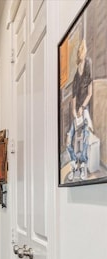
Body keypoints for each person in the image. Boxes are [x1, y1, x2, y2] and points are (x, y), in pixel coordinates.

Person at [66, 39, 93, 181]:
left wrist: (82, 108)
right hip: (76, 112)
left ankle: (83, 163)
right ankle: (73, 164)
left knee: (86, 135)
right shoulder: (76, 76)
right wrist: (74, 113)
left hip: (85, 108)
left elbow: (90, 93)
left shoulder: (88, 66)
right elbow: (73, 97)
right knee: (68, 138)